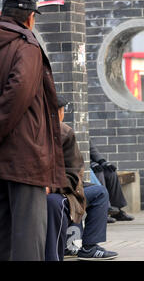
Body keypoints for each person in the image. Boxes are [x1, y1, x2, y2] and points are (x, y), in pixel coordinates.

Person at [0, 0, 66, 261]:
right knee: (28, 235)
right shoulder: (26, 45)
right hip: (24, 155)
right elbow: (19, 94)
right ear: (29, 17)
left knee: (4, 233)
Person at [45, 95, 118, 261]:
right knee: (60, 202)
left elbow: (73, 173)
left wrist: (50, 187)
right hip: (42, 190)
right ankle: (67, 250)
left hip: (60, 186)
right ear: (58, 112)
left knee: (99, 192)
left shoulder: (64, 132)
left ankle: (88, 247)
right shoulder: (32, 132)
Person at [90, 140, 134, 222]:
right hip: (80, 167)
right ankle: (103, 211)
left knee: (110, 172)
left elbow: (92, 149)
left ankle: (117, 210)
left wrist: (103, 162)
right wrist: (90, 163)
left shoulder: (80, 132)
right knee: (98, 172)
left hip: (90, 164)